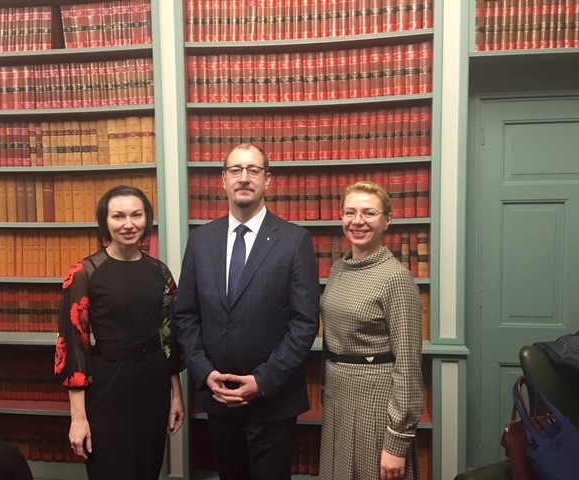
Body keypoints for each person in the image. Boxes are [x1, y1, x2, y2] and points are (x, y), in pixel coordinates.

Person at [173, 143, 320, 480]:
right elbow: (185, 316)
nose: (244, 178)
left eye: (253, 170)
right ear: (223, 180)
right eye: (236, 170)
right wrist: (204, 373)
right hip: (219, 398)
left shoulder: (294, 240)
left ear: (267, 180)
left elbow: (304, 323)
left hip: (272, 401)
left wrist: (262, 381)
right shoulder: (200, 241)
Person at [53, 185, 185, 480]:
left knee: (147, 468)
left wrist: (176, 396)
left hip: (153, 383)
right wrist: (78, 418)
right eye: (118, 216)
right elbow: (73, 344)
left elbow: (169, 337)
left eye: (136, 215)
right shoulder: (84, 272)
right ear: (105, 221)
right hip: (107, 384)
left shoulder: (160, 271)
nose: (129, 224)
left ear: (147, 219)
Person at [319, 181, 423, 480]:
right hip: (338, 399)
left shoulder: (396, 279)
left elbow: (408, 365)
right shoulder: (338, 269)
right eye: (350, 212)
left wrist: (397, 441)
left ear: (387, 220)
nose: (358, 221)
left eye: (369, 213)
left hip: (375, 405)